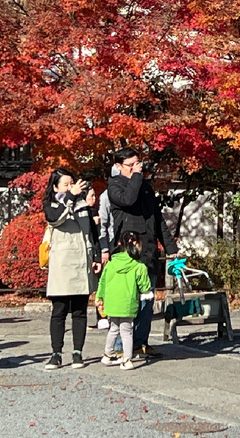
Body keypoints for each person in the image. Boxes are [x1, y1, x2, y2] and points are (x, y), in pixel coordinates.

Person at [106, 148, 178, 360]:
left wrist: (170, 247)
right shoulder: (115, 186)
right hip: (127, 250)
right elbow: (128, 200)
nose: (137, 168)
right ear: (119, 167)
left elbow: (157, 218)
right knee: (127, 300)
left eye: (138, 164)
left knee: (147, 300)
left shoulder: (145, 187)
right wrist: (136, 176)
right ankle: (120, 345)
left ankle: (140, 342)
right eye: (131, 165)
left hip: (148, 250)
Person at [43, 168, 100, 370]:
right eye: (65, 184)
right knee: (58, 310)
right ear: (56, 186)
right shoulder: (52, 203)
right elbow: (55, 219)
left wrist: (97, 256)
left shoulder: (83, 204)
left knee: (80, 310)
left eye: (72, 183)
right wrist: (69, 196)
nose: (70, 187)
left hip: (82, 259)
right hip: (61, 261)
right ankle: (56, 353)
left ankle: (78, 353)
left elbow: (93, 232)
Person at [96, 230, 153, 370]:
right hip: (127, 303)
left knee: (113, 329)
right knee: (127, 331)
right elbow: (145, 286)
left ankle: (107, 355)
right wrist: (147, 292)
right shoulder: (138, 266)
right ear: (135, 244)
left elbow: (102, 282)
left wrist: (100, 297)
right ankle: (127, 359)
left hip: (112, 302)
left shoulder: (111, 263)